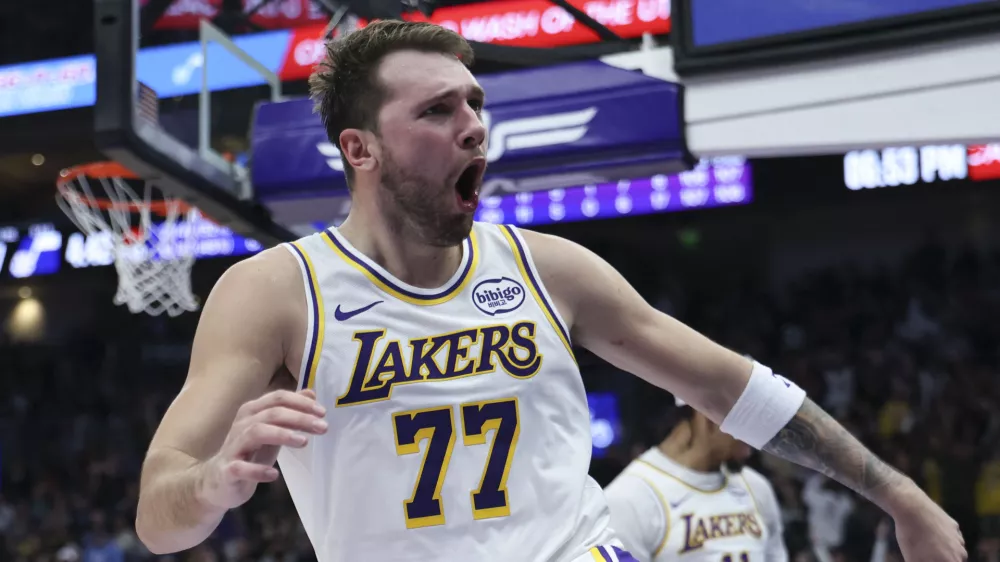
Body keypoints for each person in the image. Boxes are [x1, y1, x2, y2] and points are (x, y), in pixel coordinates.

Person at [133, 19, 966, 562]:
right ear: (361, 149)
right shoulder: (277, 291)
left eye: (475, 103)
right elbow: (158, 515)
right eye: (437, 111)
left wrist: (898, 494)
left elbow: (731, 386)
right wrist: (213, 484)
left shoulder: (547, 267)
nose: (473, 126)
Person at [605, 398, 788, 562]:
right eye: (747, 425)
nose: (754, 444)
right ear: (709, 415)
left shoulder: (756, 487)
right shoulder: (628, 499)